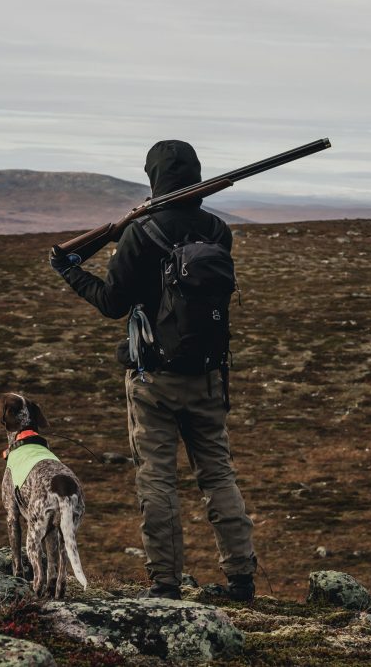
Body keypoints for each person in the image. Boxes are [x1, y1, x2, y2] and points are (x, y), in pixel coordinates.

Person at [49, 139, 257, 601]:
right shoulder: (218, 231)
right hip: (208, 375)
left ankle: (165, 584)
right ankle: (242, 579)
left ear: (153, 177)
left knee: (157, 479)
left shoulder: (142, 233)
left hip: (153, 380)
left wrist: (69, 271)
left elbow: (112, 303)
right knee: (218, 476)